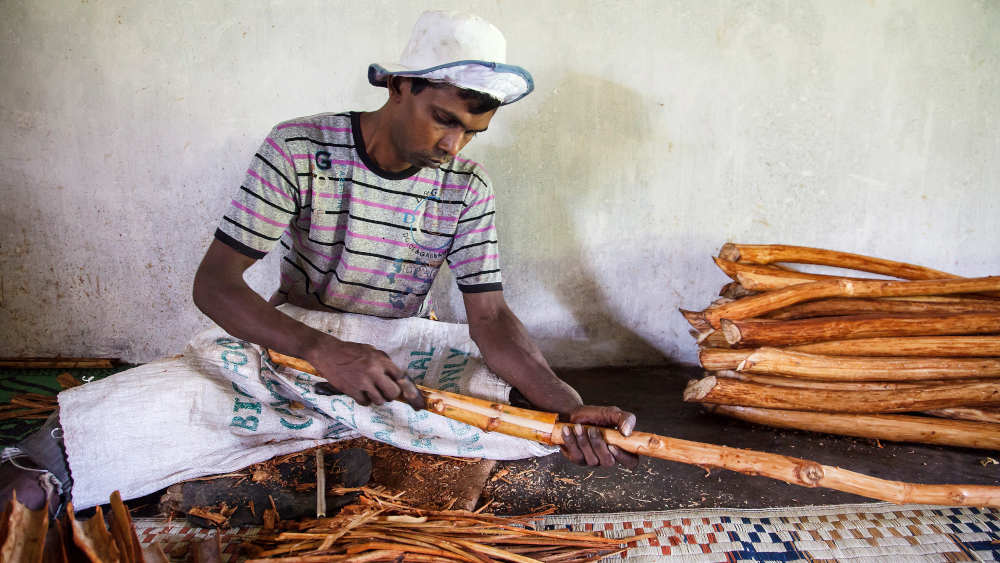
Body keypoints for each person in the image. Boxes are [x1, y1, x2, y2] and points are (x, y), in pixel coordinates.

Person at [192, 10, 639, 469]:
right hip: (304, 341)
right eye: (444, 119)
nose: (453, 146)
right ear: (398, 86)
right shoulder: (299, 149)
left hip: (401, 354)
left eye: (471, 132)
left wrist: (566, 403)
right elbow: (214, 285)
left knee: (506, 425)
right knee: (196, 419)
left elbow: (489, 315)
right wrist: (323, 350)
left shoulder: (467, 187)